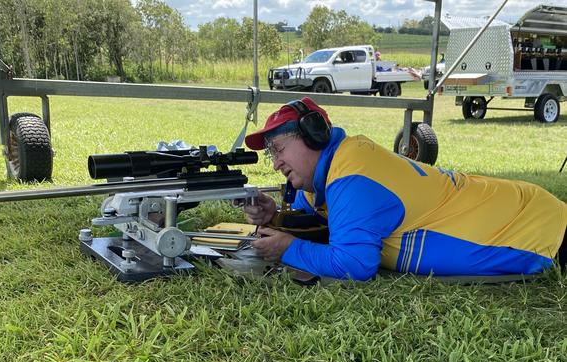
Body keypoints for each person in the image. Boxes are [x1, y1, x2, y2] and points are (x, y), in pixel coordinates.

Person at [243, 97, 567, 281]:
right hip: (519, 208)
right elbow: (324, 224)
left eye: (279, 148)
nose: (275, 162)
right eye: (271, 153)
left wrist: (289, 249)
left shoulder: (352, 176)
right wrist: (277, 215)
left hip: (536, 230)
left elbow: (355, 264)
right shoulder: (329, 172)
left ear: (314, 135)